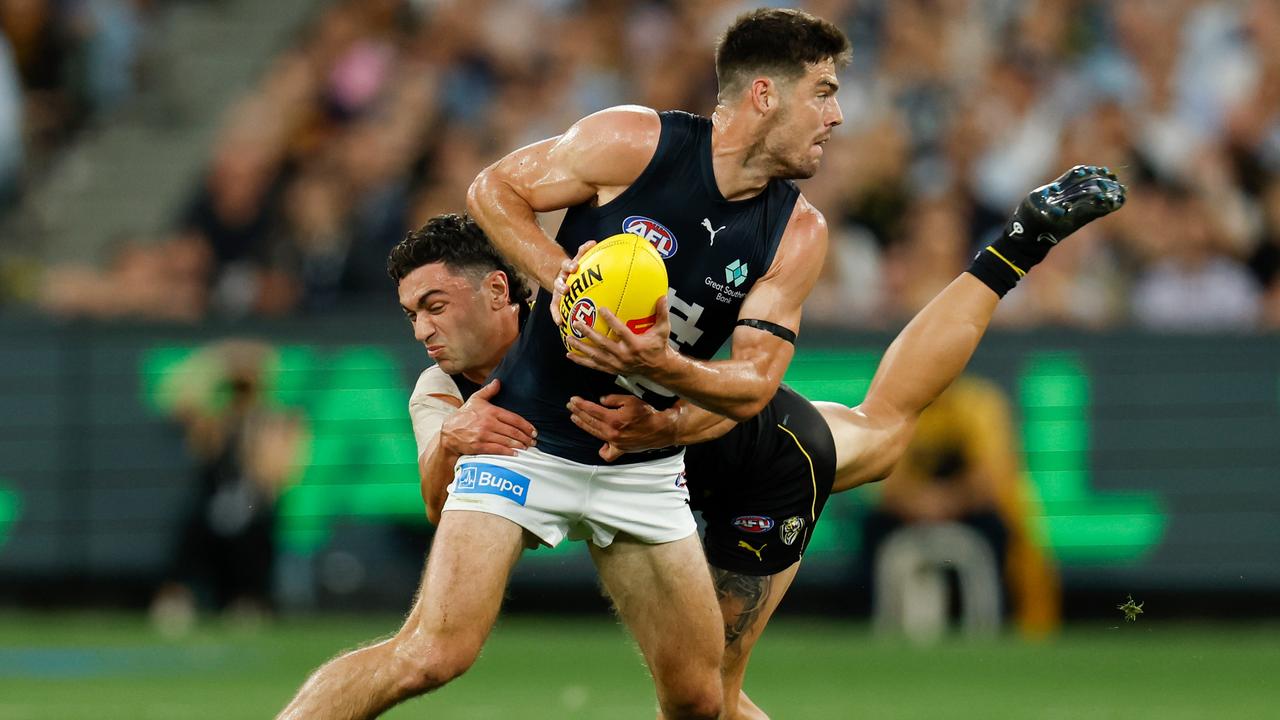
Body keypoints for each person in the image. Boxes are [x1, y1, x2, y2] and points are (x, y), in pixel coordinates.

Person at [278, 9, 851, 719]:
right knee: (431, 654)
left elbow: (755, 382)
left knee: (701, 702)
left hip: (639, 467)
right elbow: (493, 191)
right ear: (764, 94)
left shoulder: (797, 233)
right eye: (822, 92)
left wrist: (665, 377)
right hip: (528, 438)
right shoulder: (635, 141)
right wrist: (566, 281)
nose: (836, 115)